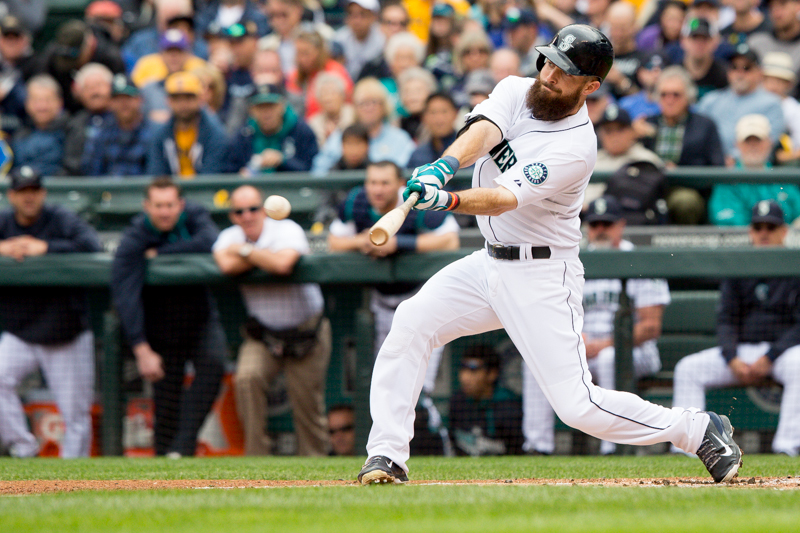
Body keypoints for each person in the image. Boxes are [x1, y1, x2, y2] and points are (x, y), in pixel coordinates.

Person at [356, 24, 742, 486]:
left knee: (578, 406)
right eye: (549, 62)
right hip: (488, 263)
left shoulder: (575, 147)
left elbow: (502, 197)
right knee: (411, 322)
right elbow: (482, 130)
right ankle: (386, 455)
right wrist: (443, 166)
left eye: (565, 71)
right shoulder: (517, 89)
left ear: (591, 86)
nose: (550, 75)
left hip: (541, 273)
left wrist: (447, 199)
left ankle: (698, 429)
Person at [523, 196, 670, 455]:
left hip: (633, 351)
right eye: (595, 224)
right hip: (582, 345)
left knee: (609, 358)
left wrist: (606, 344)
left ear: (621, 226)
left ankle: (612, 446)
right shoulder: (570, 261)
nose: (600, 229)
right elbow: (554, 313)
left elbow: (650, 326)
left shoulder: (639, 260)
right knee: (537, 362)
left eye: (607, 223)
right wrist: (575, 339)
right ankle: (537, 446)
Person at [673, 200, 800, 457]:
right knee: (688, 368)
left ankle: (788, 446)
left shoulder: (794, 265)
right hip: (741, 354)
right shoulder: (739, 265)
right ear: (751, 231)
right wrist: (732, 358)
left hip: (782, 355)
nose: (764, 233)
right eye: (758, 227)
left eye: (771, 227)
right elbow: (726, 319)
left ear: (783, 232)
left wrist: (770, 356)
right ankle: (686, 450)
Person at [111, 178, 226, 457]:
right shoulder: (135, 236)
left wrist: (161, 254)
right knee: (165, 409)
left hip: (200, 320)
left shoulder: (195, 217)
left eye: (170, 205)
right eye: (158, 205)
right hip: (161, 331)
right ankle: (165, 466)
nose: (164, 212)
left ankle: (183, 446)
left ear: (180, 205)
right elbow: (125, 296)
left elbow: (211, 240)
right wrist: (141, 349)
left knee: (214, 363)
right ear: (146, 206)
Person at [213, 185, 331, 456]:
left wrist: (245, 251)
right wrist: (261, 256)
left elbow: (282, 265)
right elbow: (226, 266)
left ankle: (315, 468)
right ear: (232, 216)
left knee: (307, 405)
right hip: (264, 335)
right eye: (239, 211)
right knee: (246, 378)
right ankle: (257, 461)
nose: (247, 216)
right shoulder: (227, 236)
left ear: (263, 210)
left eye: (253, 209)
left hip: (306, 331)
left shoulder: (286, 229)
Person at [327, 160, 459, 394]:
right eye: (373, 183)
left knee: (421, 386)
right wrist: (363, 240)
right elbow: (334, 242)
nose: (377, 190)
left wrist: (399, 244)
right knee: (387, 384)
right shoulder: (356, 200)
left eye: (385, 183)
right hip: (382, 306)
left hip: (421, 302)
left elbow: (450, 240)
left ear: (399, 184)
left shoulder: (415, 199)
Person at [0, 166, 101, 458]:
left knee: (75, 414)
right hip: (21, 332)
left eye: (33, 191)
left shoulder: (60, 218)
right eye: (22, 192)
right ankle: (23, 446)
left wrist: (44, 247)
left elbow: (91, 245)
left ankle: (73, 474)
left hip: (65, 333)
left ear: (43, 193)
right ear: (11, 196)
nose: (28, 198)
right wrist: (4, 247)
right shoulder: (5, 223)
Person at [708, 114, 800, 225]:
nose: (753, 146)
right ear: (737, 144)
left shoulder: (783, 181)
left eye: (758, 140)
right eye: (747, 141)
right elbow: (726, 223)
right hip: (741, 241)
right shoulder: (727, 182)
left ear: (769, 143)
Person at [696, 43, 785, 158]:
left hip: (750, 170)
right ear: (728, 71)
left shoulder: (772, 103)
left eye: (746, 68)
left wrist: (733, 158)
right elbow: (697, 136)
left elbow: (768, 144)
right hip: (712, 166)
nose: (740, 73)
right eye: (734, 67)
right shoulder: (711, 100)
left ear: (759, 72)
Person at [312, 77, 416, 174]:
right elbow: (319, 171)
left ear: (384, 106)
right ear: (355, 107)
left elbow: (410, 171)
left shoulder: (399, 139)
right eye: (363, 103)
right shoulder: (340, 137)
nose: (369, 108)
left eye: (374, 102)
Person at [31, 20, 124, 113]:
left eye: (75, 58)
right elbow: (41, 80)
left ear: (89, 45)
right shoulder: (54, 53)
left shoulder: (110, 57)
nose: (71, 64)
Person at [147, 71, 228, 177]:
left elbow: (211, 174)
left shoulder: (214, 132)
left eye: (188, 98)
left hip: (204, 191)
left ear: (200, 99)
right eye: (176, 98)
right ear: (168, 101)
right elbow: (157, 173)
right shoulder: (160, 134)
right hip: (171, 192)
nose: (183, 104)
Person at [226, 83, 318, 174]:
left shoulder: (301, 131)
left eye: (271, 106)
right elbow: (228, 169)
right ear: (252, 110)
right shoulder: (244, 135)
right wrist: (240, 176)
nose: (266, 113)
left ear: (282, 106)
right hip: (253, 187)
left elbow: (312, 169)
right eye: (260, 107)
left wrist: (283, 160)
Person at [449, 344, 524, 456]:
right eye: (463, 369)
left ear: (492, 374)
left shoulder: (509, 407)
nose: (465, 377)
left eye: (473, 370)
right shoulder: (458, 402)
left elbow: (519, 453)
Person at [83, 74, 153, 177]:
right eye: (118, 99)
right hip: (107, 190)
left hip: (141, 191)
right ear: (110, 102)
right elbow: (91, 172)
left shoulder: (152, 132)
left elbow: (155, 173)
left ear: (139, 100)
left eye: (128, 98)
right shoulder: (102, 132)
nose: (123, 103)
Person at [11, 74, 68, 176]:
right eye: (36, 100)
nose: (42, 106)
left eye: (48, 100)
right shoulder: (18, 135)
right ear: (26, 104)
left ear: (60, 102)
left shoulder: (71, 131)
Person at [63, 63, 114, 175]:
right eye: (88, 87)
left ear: (111, 87)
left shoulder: (122, 120)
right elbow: (70, 162)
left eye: (99, 85)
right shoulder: (74, 124)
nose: (95, 92)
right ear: (79, 93)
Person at [678, 17, 729, 99]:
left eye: (705, 38)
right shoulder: (675, 74)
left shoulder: (725, 74)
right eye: (694, 38)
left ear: (715, 42)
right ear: (683, 40)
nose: (700, 44)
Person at [334, 0, 385, 80]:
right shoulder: (338, 39)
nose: (357, 21)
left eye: (363, 14)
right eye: (352, 14)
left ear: (374, 16)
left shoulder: (383, 40)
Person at [408, 92, 459, 168]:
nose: (439, 119)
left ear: (455, 114)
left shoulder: (468, 150)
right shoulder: (418, 155)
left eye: (444, 111)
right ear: (423, 117)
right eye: (433, 112)